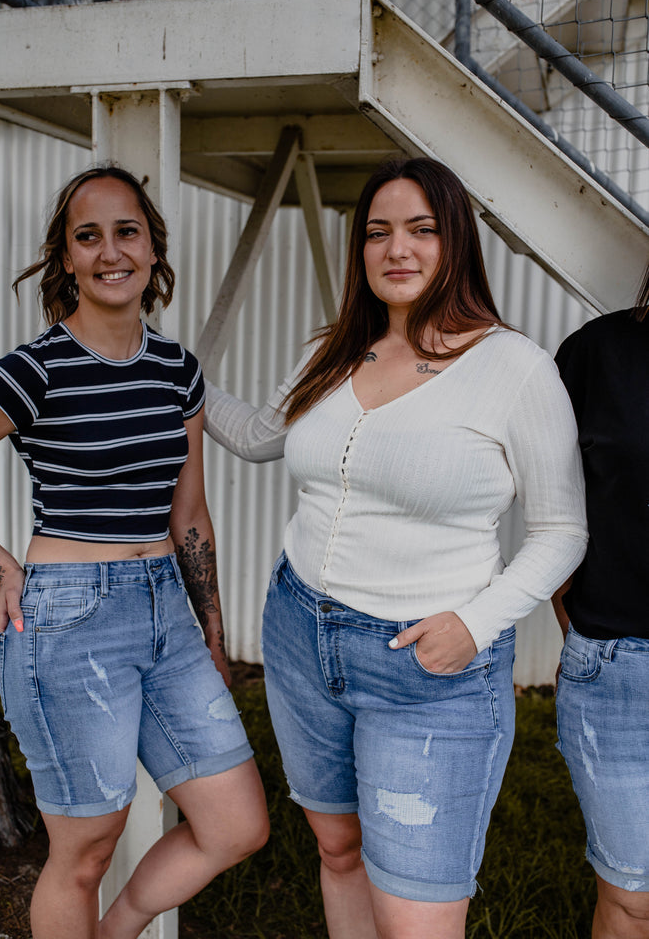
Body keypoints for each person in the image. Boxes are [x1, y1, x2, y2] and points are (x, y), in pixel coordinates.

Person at [203, 156, 588, 938]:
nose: (396, 249)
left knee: (417, 914)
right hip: (300, 630)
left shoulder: (513, 369)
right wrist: (161, 369)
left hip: (426, 665)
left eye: (420, 229)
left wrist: (475, 627)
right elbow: (254, 439)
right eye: (377, 232)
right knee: (337, 848)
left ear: (455, 243)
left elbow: (561, 531)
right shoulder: (336, 349)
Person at [0, 165, 269, 939]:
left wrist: (211, 629)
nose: (109, 252)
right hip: (69, 617)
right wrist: (2, 564)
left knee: (235, 825)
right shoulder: (34, 370)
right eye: (87, 236)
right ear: (65, 258)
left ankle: (115, 931)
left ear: (152, 249)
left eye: (125, 231)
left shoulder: (176, 371)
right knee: (85, 852)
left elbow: (189, 513)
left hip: (166, 609)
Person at [553, 264, 649, 939]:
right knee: (630, 897)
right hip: (615, 668)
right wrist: (580, 627)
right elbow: (552, 512)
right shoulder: (596, 354)